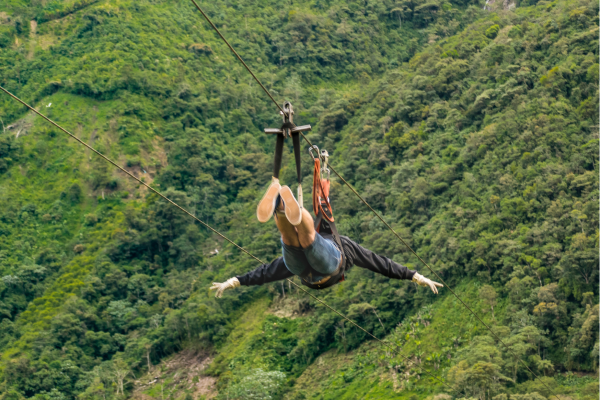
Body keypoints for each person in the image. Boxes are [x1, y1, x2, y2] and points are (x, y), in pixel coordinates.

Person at [210, 184, 443, 298]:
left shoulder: (341, 243)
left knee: (295, 239)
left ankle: (282, 209)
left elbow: (268, 271)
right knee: (300, 239)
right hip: (322, 269)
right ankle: (284, 209)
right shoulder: (343, 245)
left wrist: (236, 281)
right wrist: (414, 276)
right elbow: (378, 263)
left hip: (307, 269)